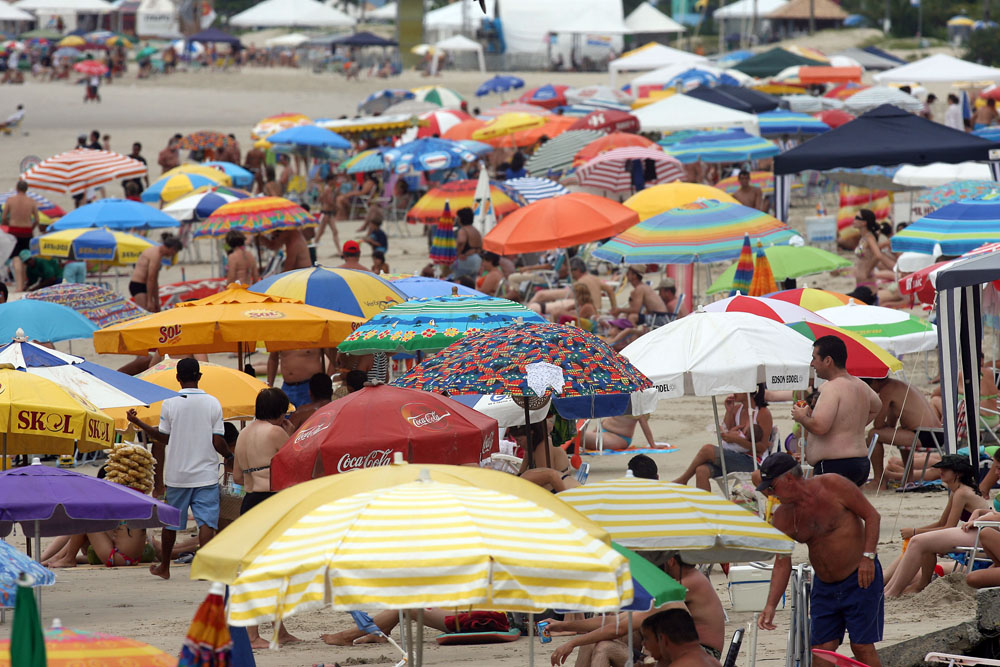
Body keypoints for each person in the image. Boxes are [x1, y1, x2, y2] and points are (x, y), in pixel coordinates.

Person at [756, 453, 883, 667]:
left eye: (772, 486)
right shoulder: (783, 518)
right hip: (825, 587)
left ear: (789, 479)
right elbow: (781, 563)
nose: (771, 493)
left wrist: (868, 557)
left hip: (860, 576)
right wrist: (770, 605)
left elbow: (872, 516)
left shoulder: (833, 485)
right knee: (822, 651)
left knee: (861, 646)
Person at [126, 359, 228, 580]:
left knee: (170, 523)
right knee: (207, 523)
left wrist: (138, 422)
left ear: (178, 378)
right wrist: (230, 456)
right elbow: (217, 441)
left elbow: (163, 438)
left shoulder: (170, 403)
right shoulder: (213, 403)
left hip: (177, 476)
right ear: (199, 376)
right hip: (206, 474)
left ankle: (165, 567)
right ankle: (206, 568)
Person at [231, 387, 299, 647]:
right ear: (280, 411)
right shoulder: (275, 432)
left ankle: (279, 631)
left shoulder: (244, 434)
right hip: (271, 501)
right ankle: (253, 635)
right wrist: (291, 434)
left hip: (250, 502)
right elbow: (296, 462)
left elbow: (238, 477)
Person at [882, 454, 989, 596]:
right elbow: (941, 523)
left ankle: (895, 590)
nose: (941, 471)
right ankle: (903, 586)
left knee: (919, 542)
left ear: (958, 473)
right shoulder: (957, 491)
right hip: (973, 535)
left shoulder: (962, 493)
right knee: (920, 542)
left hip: (981, 540)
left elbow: (948, 527)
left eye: (946, 469)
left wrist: (915, 532)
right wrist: (916, 531)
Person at [792, 336, 882, 486]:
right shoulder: (860, 385)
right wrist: (851, 426)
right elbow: (877, 406)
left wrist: (801, 417)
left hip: (835, 464)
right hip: (860, 463)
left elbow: (819, 427)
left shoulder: (831, 387)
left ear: (828, 360)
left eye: (814, 358)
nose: (812, 364)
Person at [673, 385, 772, 491]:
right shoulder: (737, 410)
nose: (734, 391)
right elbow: (726, 434)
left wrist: (736, 439)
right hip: (733, 456)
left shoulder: (762, 413)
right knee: (701, 470)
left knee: (707, 449)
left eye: (738, 388)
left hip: (752, 462)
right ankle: (704, 501)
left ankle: (683, 479)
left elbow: (761, 448)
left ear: (749, 390)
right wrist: (729, 411)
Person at [863, 377, 942, 489]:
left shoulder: (887, 390)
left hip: (925, 434)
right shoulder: (899, 385)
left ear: (875, 382)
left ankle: (878, 481)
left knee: (873, 434)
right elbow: (891, 424)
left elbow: (878, 424)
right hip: (937, 434)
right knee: (901, 431)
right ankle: (908, 478)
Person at [529, 258, 618, 320]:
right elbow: (610, 290)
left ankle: (528, 312)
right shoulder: (594, 278)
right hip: (596, 311)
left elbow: (576, 301)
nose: (569, 273)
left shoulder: (579, 283)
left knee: (551, 309)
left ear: (577, 270)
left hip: (586, 312)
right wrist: (614, 308)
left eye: (570, 270)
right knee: (545, 300)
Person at [643, 609, 722, 667]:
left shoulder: (681, 664)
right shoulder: (713, 661)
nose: (643, 644)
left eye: (646, 638)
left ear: (663, 639)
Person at [128, 234, 183, 312]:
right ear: (172, 249)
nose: (173, 255)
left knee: (154, 311)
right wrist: (150, 301)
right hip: (138, 285)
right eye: (175, 252)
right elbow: (151, 278)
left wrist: (157, 302)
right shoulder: (155, 254)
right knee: (146, 313)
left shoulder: (158, 255)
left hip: (145, 285)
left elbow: (154, 281)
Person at [1, 180, 39, 290]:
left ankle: (19, 286)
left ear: (17, 188)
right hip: (27, 231)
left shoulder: (10, 200)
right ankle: (25, 284)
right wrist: (31, 228)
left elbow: (3, 218)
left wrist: (9, 225)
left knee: (16, 258)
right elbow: (37, 220)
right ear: (26, 189)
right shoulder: (31, 201)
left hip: (14, 230)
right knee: (26, 258)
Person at [852, 209, 895, 298]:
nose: (854, 220)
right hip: (861, 283)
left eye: (857, 217)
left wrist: (868, 270)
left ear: (864, 223)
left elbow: (878, 255)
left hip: (867, 285)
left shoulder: (869, 238)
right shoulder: (863, 238)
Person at [582, 413, 659, 451]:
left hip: (618, 437)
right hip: (603, 430)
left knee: (579, 436)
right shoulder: (619, 397)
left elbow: (645, 427)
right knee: (579, 435)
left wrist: (653, 445)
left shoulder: (638, 406)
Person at [450, 207, 482, 281]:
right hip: (477, 260)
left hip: (466, 260)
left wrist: (458, 254)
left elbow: (461, 242)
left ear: (461, 218)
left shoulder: (463, 230)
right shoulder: (476, 231)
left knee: (459, 282)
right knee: (471, 283)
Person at [316, 174, 341, 250]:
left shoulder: (326, 188)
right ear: (331, 180)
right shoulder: (328, 189)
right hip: (326, 213)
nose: (335, 181)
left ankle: (339, 250)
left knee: (333, 231)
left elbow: (321, 199)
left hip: (327, 212)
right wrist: (337, 207)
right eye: (334, 180)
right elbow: (329, 201)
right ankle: (313, 250)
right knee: (321, 232)